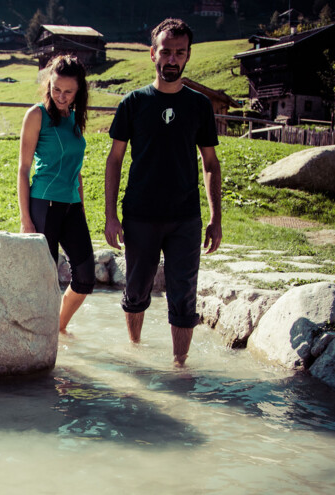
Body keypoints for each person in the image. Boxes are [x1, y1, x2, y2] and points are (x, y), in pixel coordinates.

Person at [103, 18, 222, 366]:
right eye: (166, 51)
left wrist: (215, 218)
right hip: (140, 214)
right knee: (136, 288)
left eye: (179, 53)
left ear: (187, 57)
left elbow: (211, 163)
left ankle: (179, 367)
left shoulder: (199, 105)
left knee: (184, 294)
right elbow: (114, 160)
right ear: (152, 54)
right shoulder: (133, 103)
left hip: (186, 216)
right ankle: (136, 354)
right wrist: (111, 216)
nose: (172, 59)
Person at [17, 54, 96, 335]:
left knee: (86, 277)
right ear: (49, 84)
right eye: (56, 89)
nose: (61, 96)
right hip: (44, 205)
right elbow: (24, 169)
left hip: (72, 206)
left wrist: (82, 208)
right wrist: (26, 220)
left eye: (68, 91)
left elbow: (77, 170)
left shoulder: (75, 119)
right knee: (44, 281)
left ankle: (57, 329)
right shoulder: (37, 115)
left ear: (78, 92)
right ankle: (38, 340)